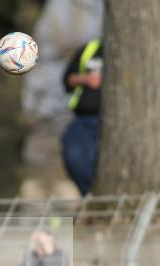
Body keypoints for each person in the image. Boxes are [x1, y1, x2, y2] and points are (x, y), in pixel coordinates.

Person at [61, 38, 102, 197]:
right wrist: (86, 79)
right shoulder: (89, 49)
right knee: (74, 157)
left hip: (116, 121)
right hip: (85, 119)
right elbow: (67, 80)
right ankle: (89, 195)